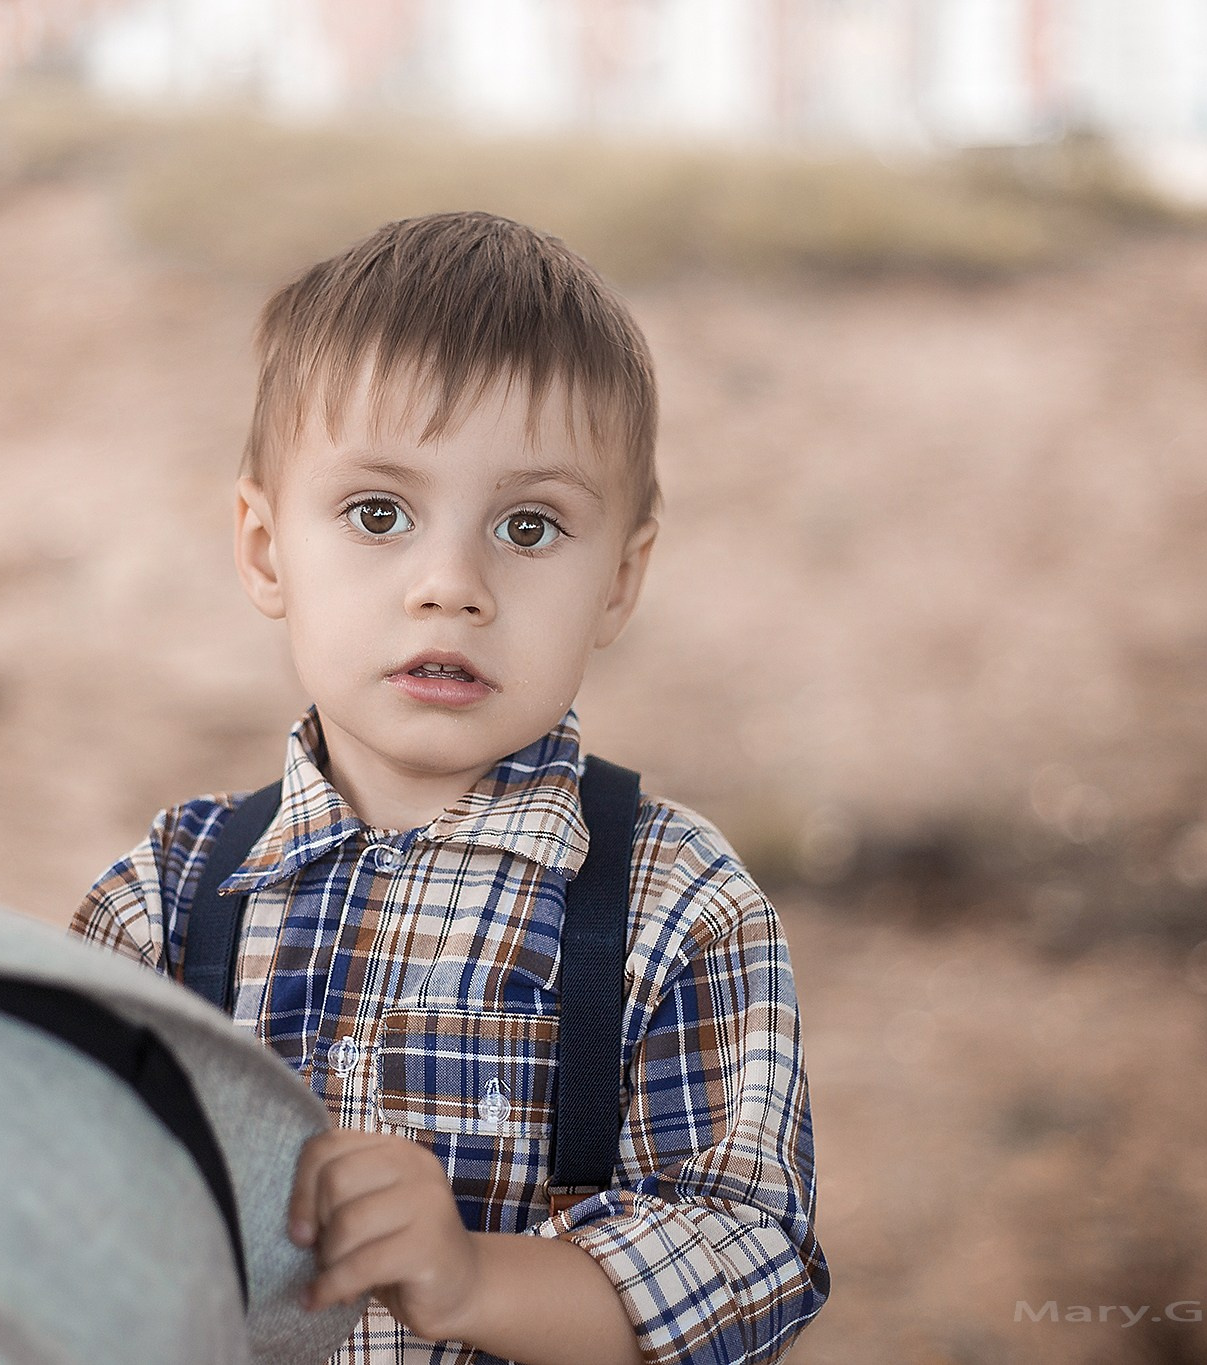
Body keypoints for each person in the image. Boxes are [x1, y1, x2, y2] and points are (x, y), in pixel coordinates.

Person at [70, 210, 829, 1365]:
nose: (449, 585)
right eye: (378, 515)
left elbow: (745, 1259)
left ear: (618, 580)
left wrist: (472, 1278)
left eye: (528, 526)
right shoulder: (165, 904)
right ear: (267, 549)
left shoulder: (675, 909)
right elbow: (44, 1204)